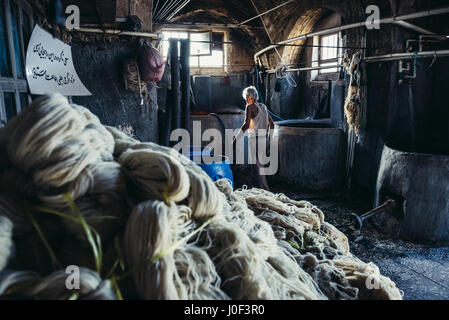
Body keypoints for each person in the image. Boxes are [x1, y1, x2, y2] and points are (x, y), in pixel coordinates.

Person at [233, 86, 275, 190]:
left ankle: (266, 190)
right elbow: (272, 124)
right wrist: (270, 139)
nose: (246, 99)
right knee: (260, 166)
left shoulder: (250, 107)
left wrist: (236, 139)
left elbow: (246, 125)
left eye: (247, 97)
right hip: (265, 138)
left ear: (248, 97)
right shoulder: (264, 107)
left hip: (255, 139)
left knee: (258, 167)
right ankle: (263, 188)